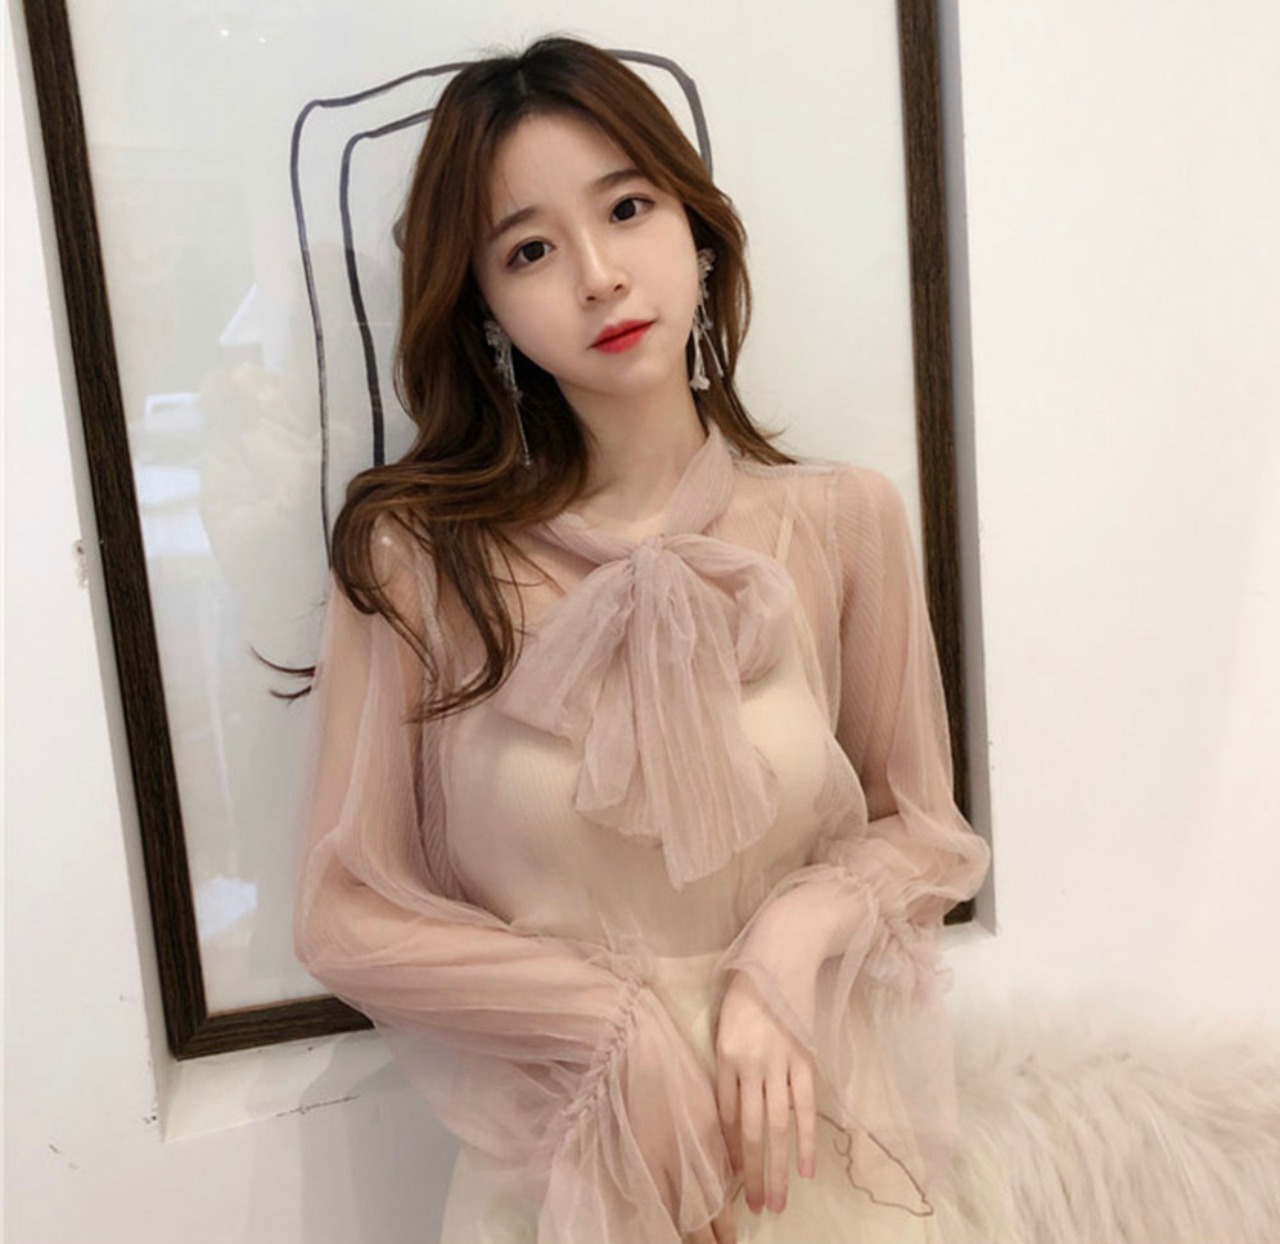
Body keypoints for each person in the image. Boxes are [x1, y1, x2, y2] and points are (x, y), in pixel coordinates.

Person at [292, 34, 989, 1244]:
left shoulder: (841, 518)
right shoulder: (416, 560)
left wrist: (788, 940)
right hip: (562, 1178)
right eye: (529, 249)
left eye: (626, 207)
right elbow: (344, 911)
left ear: (697, 231)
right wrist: (604, 1022)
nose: (599, 275)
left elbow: (925, 834)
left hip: (817, 1163)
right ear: (485, 304)